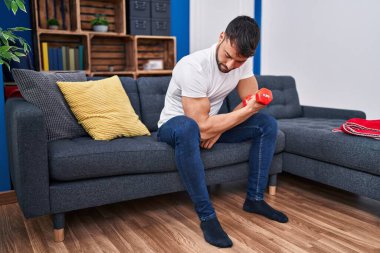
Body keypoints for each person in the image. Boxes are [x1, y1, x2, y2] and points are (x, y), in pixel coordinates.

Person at [156, 15, 288, 248]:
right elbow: (199, 126)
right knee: (188, 129)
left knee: (266, 124)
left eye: (238, 61)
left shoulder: (242, 62)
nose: (230, 66)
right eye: (228, 56)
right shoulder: (192, 66)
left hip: (209, 123)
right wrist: (212, 128)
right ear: (221, 37)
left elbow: (250, 103)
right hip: (175, 125)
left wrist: (217, 129)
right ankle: (207, 217)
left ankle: (255, 200)